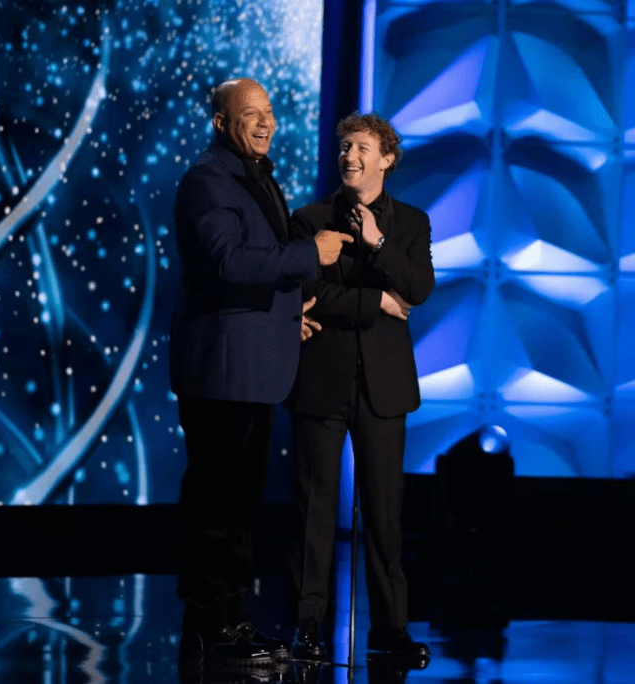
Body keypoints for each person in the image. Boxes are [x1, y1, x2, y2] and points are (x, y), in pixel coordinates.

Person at [169, 78, 353, 667]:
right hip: (221, 372)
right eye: (251, 113)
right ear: (222, 122)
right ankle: (208, 623)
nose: (265, 122)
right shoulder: (207, 181)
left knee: (240, 507)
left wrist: (283, 318)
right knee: (216, 507)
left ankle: (230, 620)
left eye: (269, 112)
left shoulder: (255, 175)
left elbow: (251, 272)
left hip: (250, 366)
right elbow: (229, 261)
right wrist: (310, 253)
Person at [286, 112, 435, 662]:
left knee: (384, 512)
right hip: (321, 380)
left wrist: (378, 244)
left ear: (386, 160)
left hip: (384, 386)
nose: (350, 156)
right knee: (313, 511)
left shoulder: (411, 223)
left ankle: (391, 629)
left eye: (362, 148)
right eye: (345, 146)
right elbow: (309, 295)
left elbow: (419, 288)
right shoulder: (309, 219)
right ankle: (307, 625)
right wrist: (377, 303)